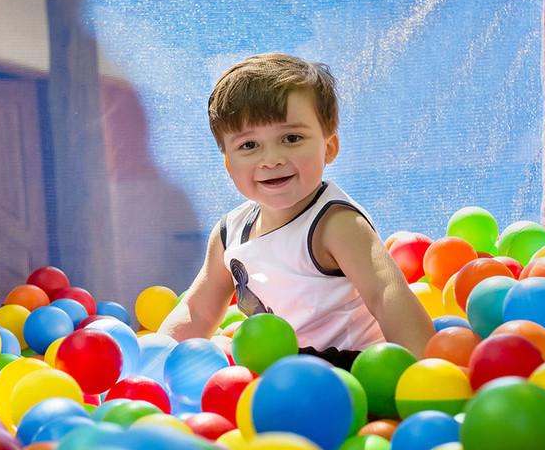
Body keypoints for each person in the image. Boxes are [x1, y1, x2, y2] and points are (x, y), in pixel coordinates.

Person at [158, 52, 434, 366]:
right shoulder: (229, 234)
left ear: (328, 148)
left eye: (291, 138)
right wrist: (154, 361)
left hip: (351, 370)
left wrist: (425, 371)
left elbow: (386, 295)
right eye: (249, 145)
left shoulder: (335, 223)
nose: (271, 158)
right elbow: (198, 310)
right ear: (228, 164)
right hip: (277, 373)